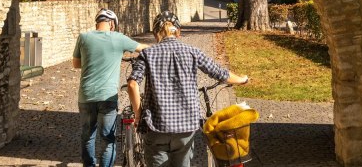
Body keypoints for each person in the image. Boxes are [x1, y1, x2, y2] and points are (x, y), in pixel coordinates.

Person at [125, 11, 251, 167]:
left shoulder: (147, 53)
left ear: (156, 33)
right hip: (185, 127)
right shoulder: (193, 52)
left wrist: (138, 115)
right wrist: (242, 79)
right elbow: (220, 73)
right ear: (178, 32)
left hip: (156, 127)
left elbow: (132, 84)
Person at [73, 8, 147, 167]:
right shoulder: (118, 38)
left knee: (87, 136)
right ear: (112, 24)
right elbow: (144, 48)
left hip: (86, 96)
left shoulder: (83, 37)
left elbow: (76, 64)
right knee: (107, 138)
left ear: (97, 22)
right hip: (107, 97)